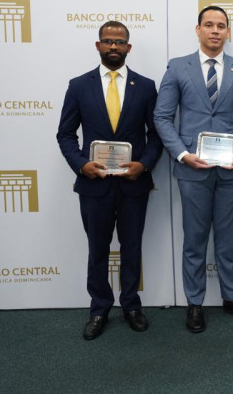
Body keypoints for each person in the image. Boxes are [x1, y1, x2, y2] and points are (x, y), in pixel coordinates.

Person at [154, 5, 233, 333]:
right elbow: (162, 117)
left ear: (229, 32)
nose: (215, 31)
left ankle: (231, 297)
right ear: (198, 29)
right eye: (209, 25)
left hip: (232, 169)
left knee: (228, 240)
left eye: (221, 26)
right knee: (195, 239)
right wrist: (182, 154)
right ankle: (195, 303)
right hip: (192, 169)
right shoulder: (177, 67)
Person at [57, 21, 163, 340]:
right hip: (94, 184)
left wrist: (143, 165)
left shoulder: (145, 86)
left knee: (131, 247)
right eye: (107, 41)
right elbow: (65, 134)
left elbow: (156, 135)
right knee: (97, 248)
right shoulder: (79, 85)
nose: (113, 46)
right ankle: (99, 308)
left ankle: (131, 305)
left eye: (119, 42)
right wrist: (80, 165)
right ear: (98, 46)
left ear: (128, 48)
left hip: (133, 184)